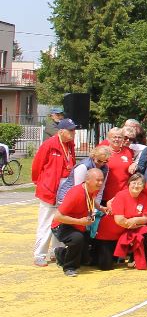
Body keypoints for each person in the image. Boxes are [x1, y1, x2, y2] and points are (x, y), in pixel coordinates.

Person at [31, 117, 78, 267]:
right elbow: (37, 166)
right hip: (50, 188)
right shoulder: (49, 144)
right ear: (61, 131)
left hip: (65, 187)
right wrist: (40, 183)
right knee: (46, 223)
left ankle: (56, 252)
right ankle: (39, 254)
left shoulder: (70, 145)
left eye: (74, 130)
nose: (74, 132)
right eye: (71, 130)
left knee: (60, 221)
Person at [94, 171, 147, 270]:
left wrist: (135, 219)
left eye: (139, 183)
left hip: (125, 231)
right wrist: (135, 224)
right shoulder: (121, 195)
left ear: (143, 187)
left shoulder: (143, 197)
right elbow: (119, 220)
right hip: (109, 234)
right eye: (134, 183)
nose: (136, 186)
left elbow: (145, 218)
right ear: (129, 184)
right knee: (105, 266)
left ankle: (136, 258)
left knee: (145, 231)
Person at [53, 167, 104, 276]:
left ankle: (62, 253)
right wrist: (79, 222)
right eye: (98, 180)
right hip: (62, 225)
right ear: (87, 180)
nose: (100, 183)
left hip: (78, 224)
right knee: (77, 238)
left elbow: (91, 199)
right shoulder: (76, 193)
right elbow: (57, 217)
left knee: (86, 259)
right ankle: (69, 267)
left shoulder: (91, 188)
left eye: (102, 180)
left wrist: (100, 208)